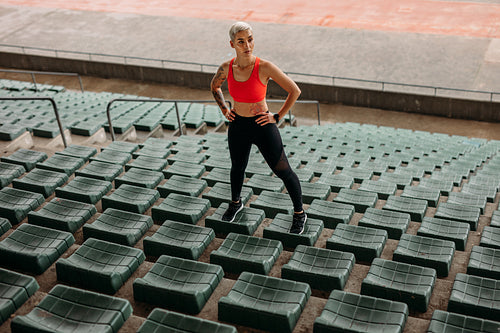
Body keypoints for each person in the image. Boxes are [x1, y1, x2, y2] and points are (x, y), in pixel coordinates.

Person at [210, 21, 306, 234]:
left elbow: (295, 90)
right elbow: (214, 86)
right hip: (238, 125)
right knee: (237, 167)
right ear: (232, 44)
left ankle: (300, 213)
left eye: (250, 40)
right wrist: (225, 110)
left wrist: (277, 116)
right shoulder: (226, 67)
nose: (247, 45)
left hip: (262, 126)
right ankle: (236, 202)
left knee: (283, 171)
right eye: (241, 41)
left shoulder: (265, 67)